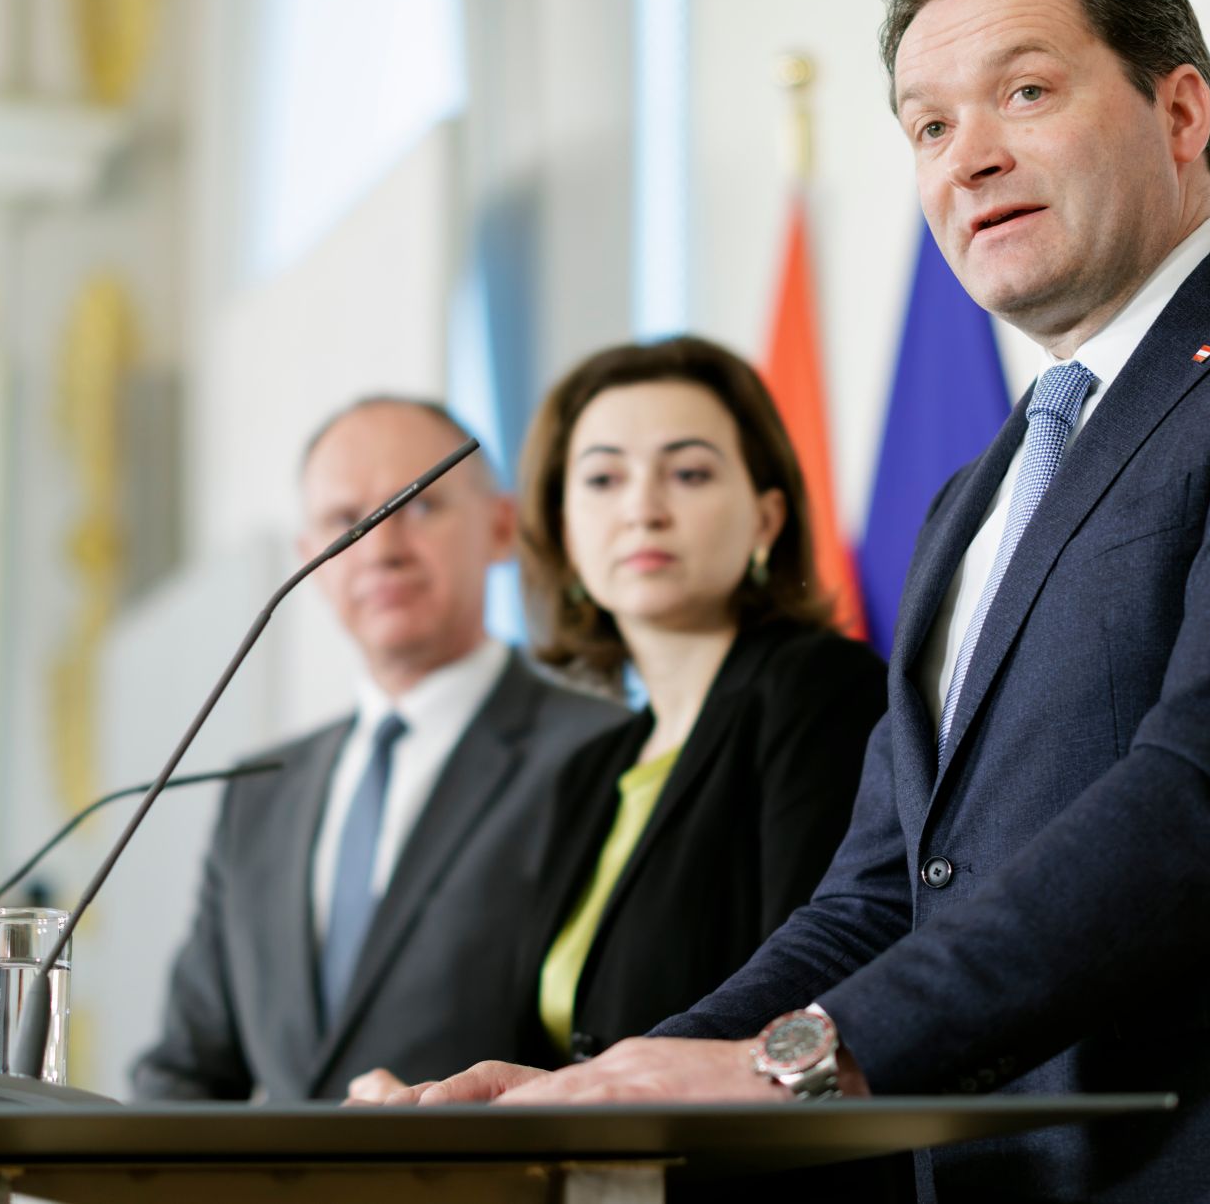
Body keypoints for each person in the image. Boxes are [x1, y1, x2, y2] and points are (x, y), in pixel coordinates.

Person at [375, 0, 1210, 1204]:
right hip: (1007, 1174)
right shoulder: (973, 495)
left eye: (1022, 92)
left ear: (1178, 112)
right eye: (927, 125)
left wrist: (804, 1058)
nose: (968, 159)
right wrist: (627, 1071)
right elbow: (880, 888)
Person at [352, 337, 886, 1097]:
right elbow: (552, 1054)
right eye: (603, 478)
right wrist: (433, 1099)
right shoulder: (594, 769)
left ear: (767, 519)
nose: (642, 508)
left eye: (690, 472)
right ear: (565, 531)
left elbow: (822, 985)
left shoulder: (818, 691)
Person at [132, 398, 628, 1102]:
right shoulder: (260, 790)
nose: (383, 546)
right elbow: (184, 1072)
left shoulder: (603, 750)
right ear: (309, 558)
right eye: (345, 521)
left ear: (499, 528)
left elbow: (632, 1052)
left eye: (419, 507)